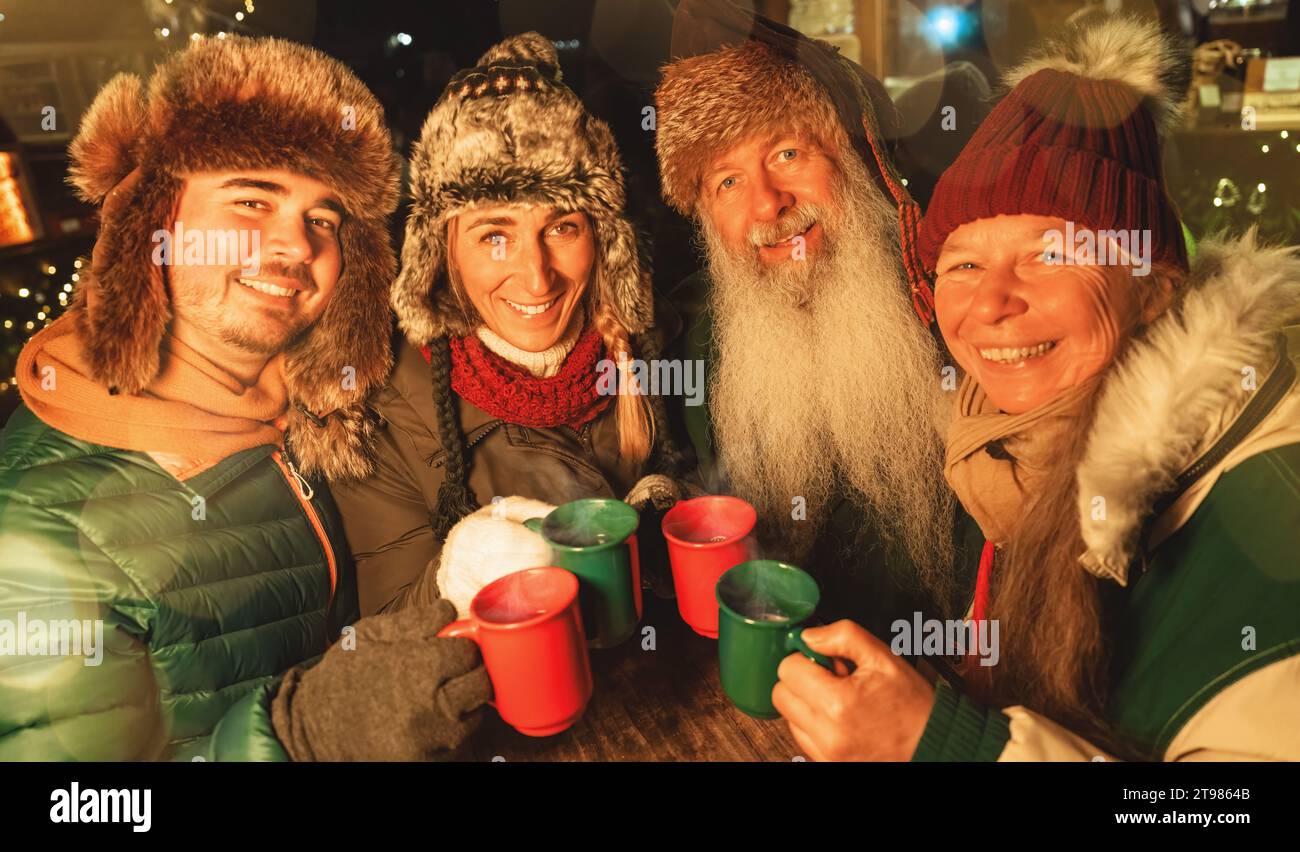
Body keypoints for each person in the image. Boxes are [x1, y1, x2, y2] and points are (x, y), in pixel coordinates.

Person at [771, 16, 1300, 761]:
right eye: (962, 265)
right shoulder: (995, 448)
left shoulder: (1267, 511)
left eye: (1050, 254)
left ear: (1153, 288)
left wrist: (949, 747)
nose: (990, 306)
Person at [0, 36, 488, 761]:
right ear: (156, 224)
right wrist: (296, 739)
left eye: (323, 218)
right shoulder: (37, 537)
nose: (296, 246)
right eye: (252, 200)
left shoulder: (309, 417)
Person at [331, 32, 691, 618]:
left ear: (602, 238)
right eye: (494, 236)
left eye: (562, 228)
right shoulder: (381, 409)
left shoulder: (653, 350)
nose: (536, 278)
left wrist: (675, 515)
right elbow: (387, 632)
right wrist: (461, 582)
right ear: (442, 252)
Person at [653, 0, 968, 633]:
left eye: (789, 153)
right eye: (728, 182)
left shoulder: (959, 307)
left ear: (854, 163)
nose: (768, 204)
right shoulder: (687, 342)